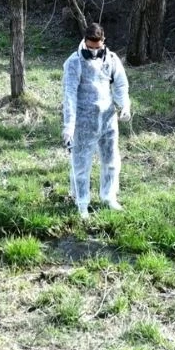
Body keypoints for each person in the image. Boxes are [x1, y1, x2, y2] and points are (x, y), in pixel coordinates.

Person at [61, 22, 130, 219]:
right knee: (81, 163)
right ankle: (82, 202)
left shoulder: (111, 59)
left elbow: (120, 85)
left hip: (107, 118)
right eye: (90, 47)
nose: (93, 51)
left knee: (111, 160)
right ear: (84, 41)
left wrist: (124, 105)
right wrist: (69, 126)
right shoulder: (73, 63)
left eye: (97, 47)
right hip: (83, 120)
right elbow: (69, 95)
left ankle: (108, 197)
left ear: (103, 42)